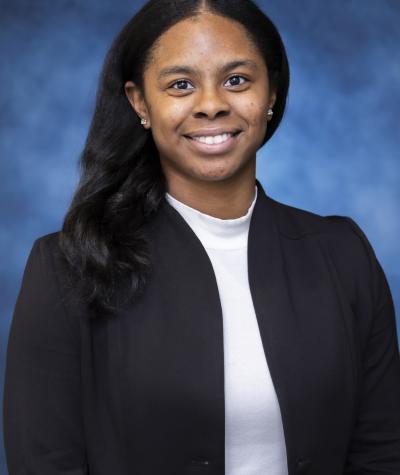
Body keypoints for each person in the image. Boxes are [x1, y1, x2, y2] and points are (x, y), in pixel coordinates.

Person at [3, 0, 400, 474]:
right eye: (181, 85)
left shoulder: (344, 255)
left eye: (237, 80)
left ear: (271, 92)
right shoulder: (66, 267)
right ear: (139, 102)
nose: (212, 104)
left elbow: (382, 453)